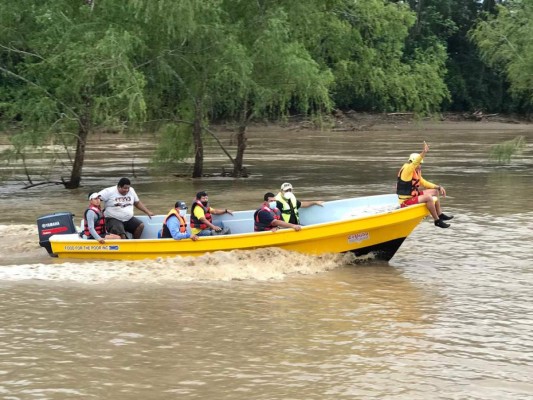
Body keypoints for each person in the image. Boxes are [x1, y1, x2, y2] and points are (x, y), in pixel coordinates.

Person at [396, 141, 454, 228]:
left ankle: (440, 214)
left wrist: (438, 187)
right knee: (428, 198)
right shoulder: (407, 170)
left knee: (435, 192)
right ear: (413, 162)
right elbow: (415, 163)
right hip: (405, 201)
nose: (420, 166)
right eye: (420, 163)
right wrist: (424, 152)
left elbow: (424, 182)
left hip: (413, 196)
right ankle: (437, 220)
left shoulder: (416, 171)